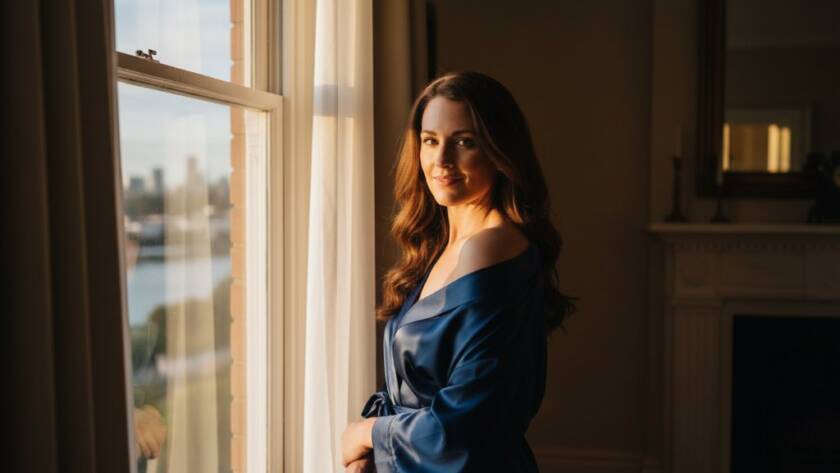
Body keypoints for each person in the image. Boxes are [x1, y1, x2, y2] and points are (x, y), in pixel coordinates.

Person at [341, 71, 577, 472]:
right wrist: (376, 455)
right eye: (431, 141)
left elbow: (466, 422)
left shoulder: (490, 247)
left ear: (501, 152)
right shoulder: (445, 246)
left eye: (465, 142)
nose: (442, 161)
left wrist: (368, 433)